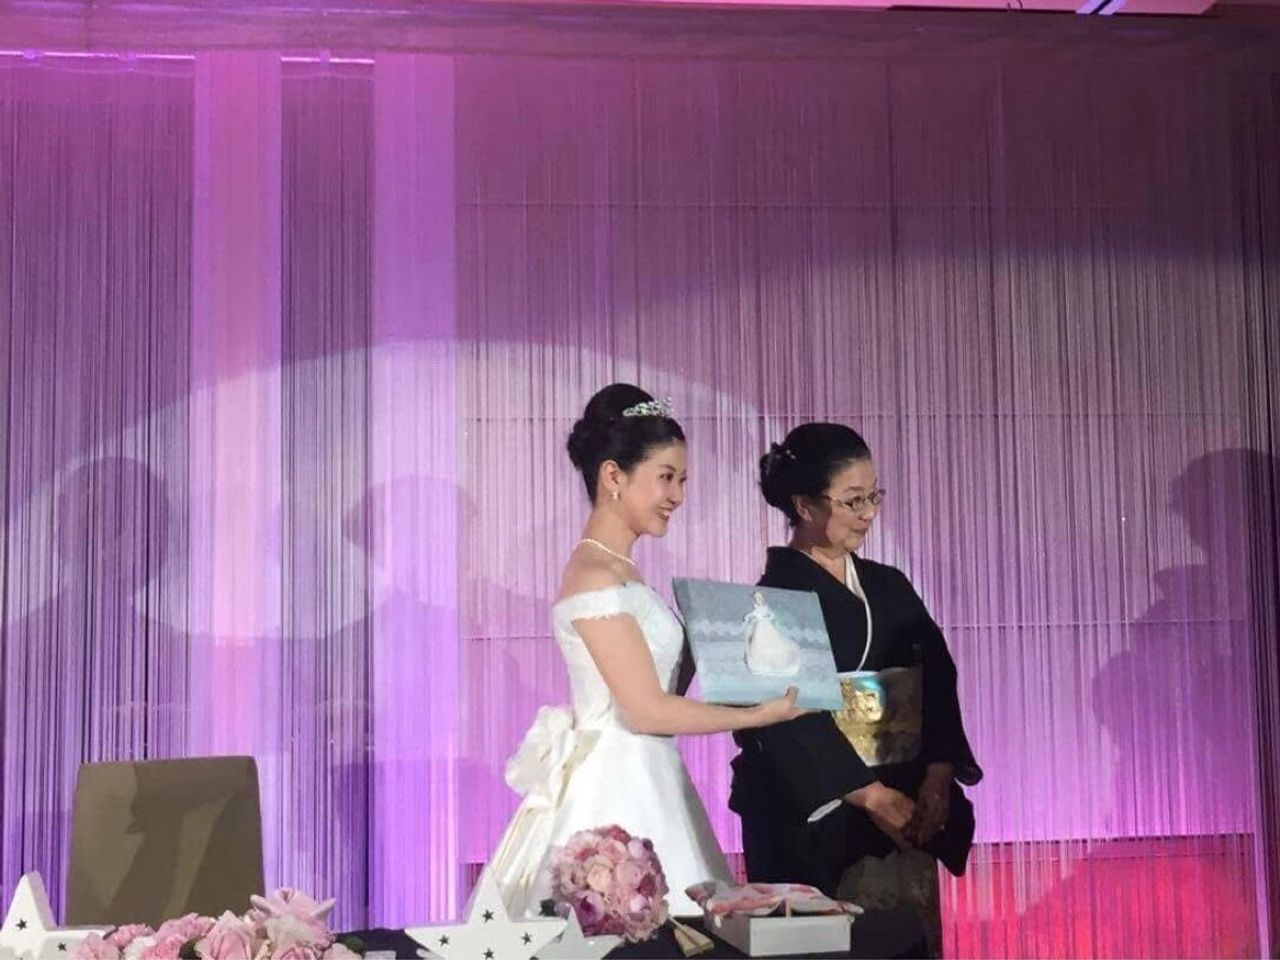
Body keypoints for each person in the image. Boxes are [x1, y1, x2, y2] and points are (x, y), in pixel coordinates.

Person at [491, 384, 804, 917]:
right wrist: (758, 714)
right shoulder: (595, 575)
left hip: (651, 768)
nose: (677, 495)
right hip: (618, 781)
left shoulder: (621, 571)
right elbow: (645, 710)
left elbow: (660, 691)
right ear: (613, 476)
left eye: (682, 480)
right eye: (666, 477)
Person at [729, 423, 981, 955]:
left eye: (873, 496)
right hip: (824, 810)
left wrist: (937, 774)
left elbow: (938, 678)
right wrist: (869, 795)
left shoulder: (889, 584)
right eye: (852, 500)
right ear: (804, 505)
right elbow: (784, 720)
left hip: (907, 800)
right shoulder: (772, 599)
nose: (868, 513)